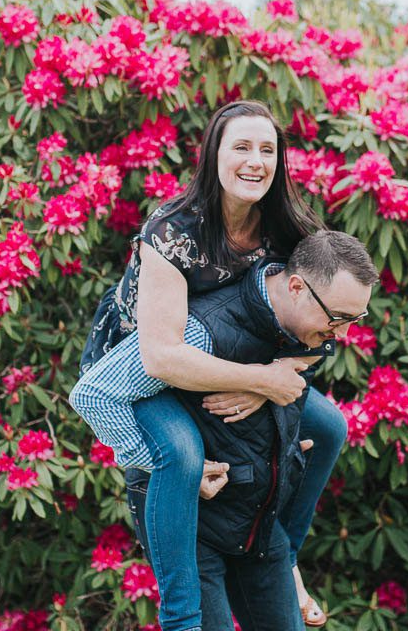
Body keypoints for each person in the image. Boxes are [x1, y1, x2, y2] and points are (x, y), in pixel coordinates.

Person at [74, 101, 350, 629]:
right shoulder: (173, 230)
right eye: (241, 147)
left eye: (267, 149)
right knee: (178, 452)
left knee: (329, 426)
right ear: (214, 156)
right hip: (143, 369)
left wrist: (270, 386)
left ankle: (287, 558)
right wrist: (258, 381)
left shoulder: (287, 226)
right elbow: (161, 356)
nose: (255, 161)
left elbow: (322, 323)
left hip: (233, 356)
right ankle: (182, 619)